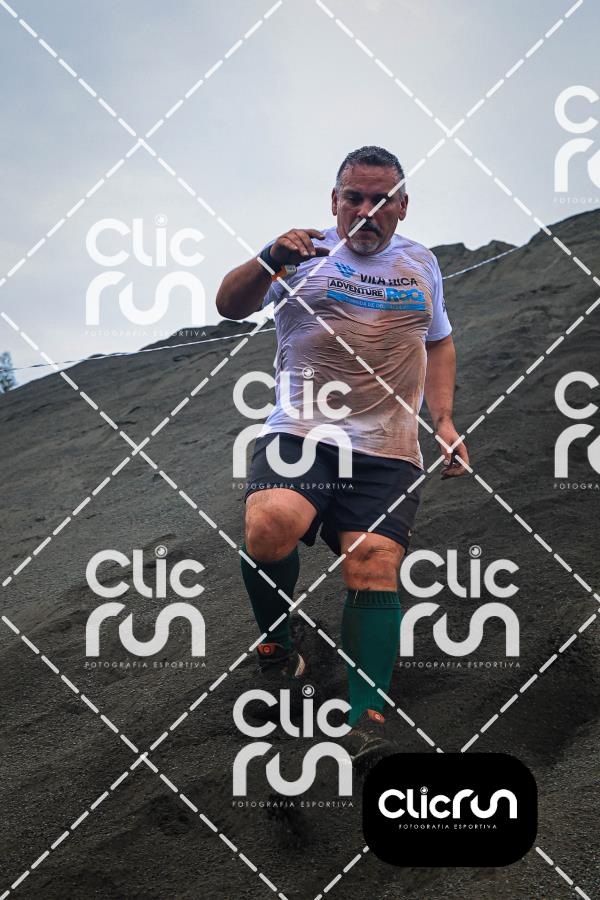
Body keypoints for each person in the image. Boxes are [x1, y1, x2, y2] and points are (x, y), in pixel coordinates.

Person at [216, 146, 468, 765]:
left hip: (388, 447)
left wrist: (443, 420)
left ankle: (365, 720)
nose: (366, 210)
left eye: (382, 200)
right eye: (354, 197)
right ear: (335, 200)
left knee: (374, 564)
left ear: (402, 207)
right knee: (270, 523)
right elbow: (229, 305)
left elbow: (439, 342)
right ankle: (279, 647)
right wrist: (268, 257)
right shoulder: (300, 253)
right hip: (302, 431)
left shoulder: (422, 264)